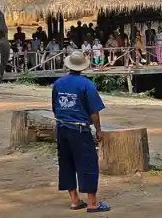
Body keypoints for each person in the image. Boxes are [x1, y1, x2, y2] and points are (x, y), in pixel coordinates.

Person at [52, 50, 111, 213]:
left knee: (66, 163)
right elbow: (94, 112)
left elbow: (55, 107)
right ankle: (92, 203)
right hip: (79, 129)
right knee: (88, 162)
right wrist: (98, 129)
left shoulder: (58, 83)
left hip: (62, 127)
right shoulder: (87, 85)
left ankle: (75, 200)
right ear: (82, 67)